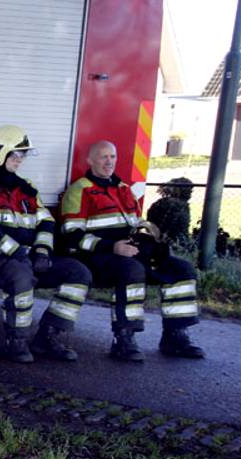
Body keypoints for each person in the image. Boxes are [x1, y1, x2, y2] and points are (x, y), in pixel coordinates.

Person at [61, 142, 204, 361]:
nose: (109, 161)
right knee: (132, 270)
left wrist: (151, 240)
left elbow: (137, 223)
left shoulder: (124, 189)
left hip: (131, 253)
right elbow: (71, 234)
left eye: (113, 156)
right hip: (97, 257)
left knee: (181, 268)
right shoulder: (79, 190)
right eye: (103, 157)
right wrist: (112, 247)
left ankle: (175, 336)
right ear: (90, 160)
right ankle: (124, 338)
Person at [0, 125, 92, 363]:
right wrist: (19, 252)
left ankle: (48, 337)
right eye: (15, 155)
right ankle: (17, 341)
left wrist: (42, 252)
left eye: (22, 155)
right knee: (20, 275)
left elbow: (46, 222)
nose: (20, 160)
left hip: (26, 256)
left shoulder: (28, 188)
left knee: (78, 272)